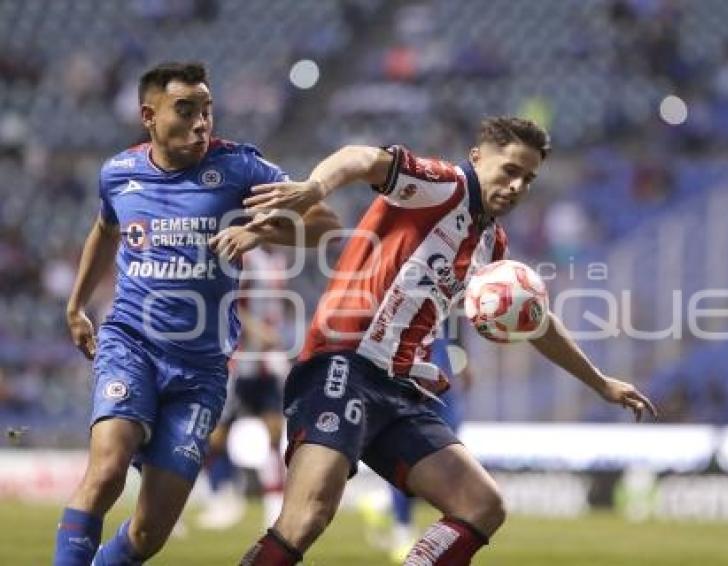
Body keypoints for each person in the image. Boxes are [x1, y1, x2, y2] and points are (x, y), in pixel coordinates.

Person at [239, 116, 657, 565]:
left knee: (481, 504)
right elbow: (359, 157)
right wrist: (316, 187)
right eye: (510, 170)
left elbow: (535, 320)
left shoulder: (490, 244)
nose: (517, 186)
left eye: (529, 179)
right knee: (306, 517)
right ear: (478, 158)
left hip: (403, 390)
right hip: (344, 362)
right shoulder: (444, 185)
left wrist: (600, 383)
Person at [54, 61, 339, 566]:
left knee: (148, 534)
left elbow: (323, 222)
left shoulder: (240, 168)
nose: (202, 123)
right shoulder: (119, 174)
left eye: (207, 110)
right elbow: (104, 229)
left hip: (201, 367)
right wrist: (76, 305)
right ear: (149, 115)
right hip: (130, 344)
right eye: (186, 111)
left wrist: (257, 230)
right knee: (106, 469)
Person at [198, 243, 291, 531]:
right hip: (238, 359)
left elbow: (274, 302)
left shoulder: (279, 256)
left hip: (266, 361)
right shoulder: (248, 256)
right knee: (215, 435)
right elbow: (230, 300)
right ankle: (221, 495)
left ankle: (275, 505)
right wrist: (256, 329)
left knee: (276, 431)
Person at [358, 331, 471, 563]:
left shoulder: (450, 304)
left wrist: (464, 362)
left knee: (447, 458)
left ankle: (383, 503)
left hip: (442, 370)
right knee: (413, 455)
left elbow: (454, 327)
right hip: (410, 369)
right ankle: (402, 530)